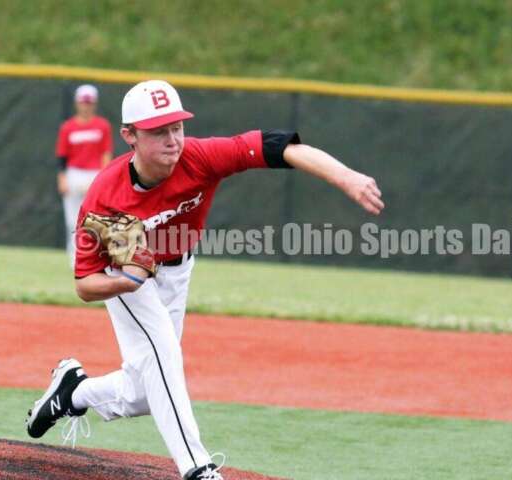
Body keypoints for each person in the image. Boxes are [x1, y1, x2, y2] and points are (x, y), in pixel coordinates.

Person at [26, 80, 384, 480]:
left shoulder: (199, 157)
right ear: (130, 136)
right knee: (163, 352)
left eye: (176, 127)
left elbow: (280, 148)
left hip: (178, 269)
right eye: (158, 131)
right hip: (124, 274)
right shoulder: (107, 195)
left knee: (144, 392)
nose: (172, 139)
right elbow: (84, 284)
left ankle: (73, 392)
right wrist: (126, 281)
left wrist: (346, 177)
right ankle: (196, 468)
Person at [55, 84, 113, 267]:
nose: (86, 106)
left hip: (94, 175)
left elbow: (106, 154)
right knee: (73, 221)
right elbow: (62, 157)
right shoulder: (68, 127)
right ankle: (75, 261)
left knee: (97, 219)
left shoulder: (102, 126)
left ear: (94, 104)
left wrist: (102, 179)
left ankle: (98, 259)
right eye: (83, 102)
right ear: (77, 103)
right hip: (74, 174)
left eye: (89, 102)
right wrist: (62, 179)